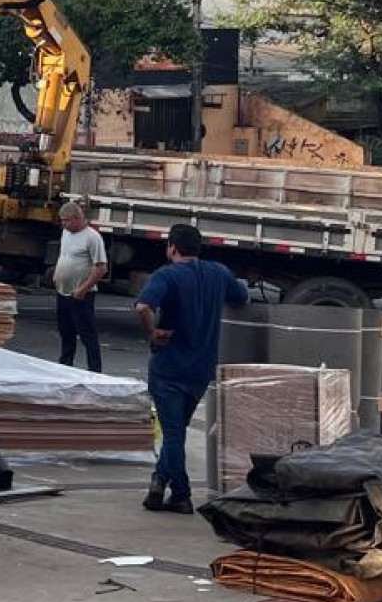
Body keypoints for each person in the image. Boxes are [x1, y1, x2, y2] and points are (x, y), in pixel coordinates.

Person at [134, 223, 249, 514]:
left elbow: (143, 307)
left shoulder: (167, 275)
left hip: (168, 368)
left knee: (173, 434)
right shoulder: (218, 273)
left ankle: (181, 494)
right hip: (200, 369)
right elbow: (241, 297)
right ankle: (158, 483)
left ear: (172, 247)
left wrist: (152, 332)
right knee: (177, 430)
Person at [52, 200, 109, 372]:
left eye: (66, 220)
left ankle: (95, 370)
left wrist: (83, 288)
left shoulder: (92, 237)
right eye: (62, 221)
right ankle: (65, 365)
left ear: (77, 218)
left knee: (87, 334)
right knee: (66, 332)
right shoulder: (66, 233)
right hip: (63, 291)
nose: (63, 224)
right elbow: (65, 256)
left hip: (81, 294)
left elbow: (101, 267)